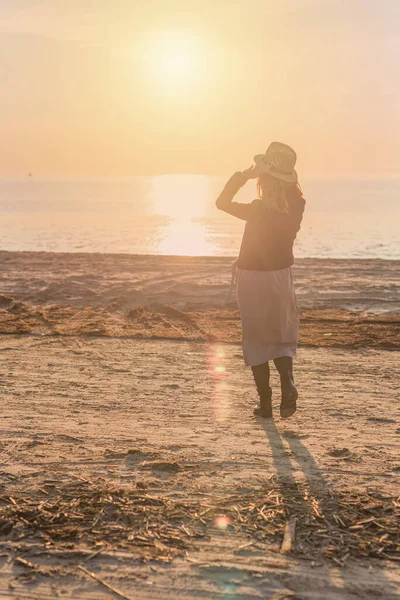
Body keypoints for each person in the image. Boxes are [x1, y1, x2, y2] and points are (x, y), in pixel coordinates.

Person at [215, 142, 305, 419]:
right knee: (280, 335)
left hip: (253, 278)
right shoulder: (297, 204)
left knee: (256, 340)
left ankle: (265, 404)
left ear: (264, 178)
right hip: (280, 277)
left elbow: (221, 202)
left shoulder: (257, 208)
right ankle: (288, 383)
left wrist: (245, 174)